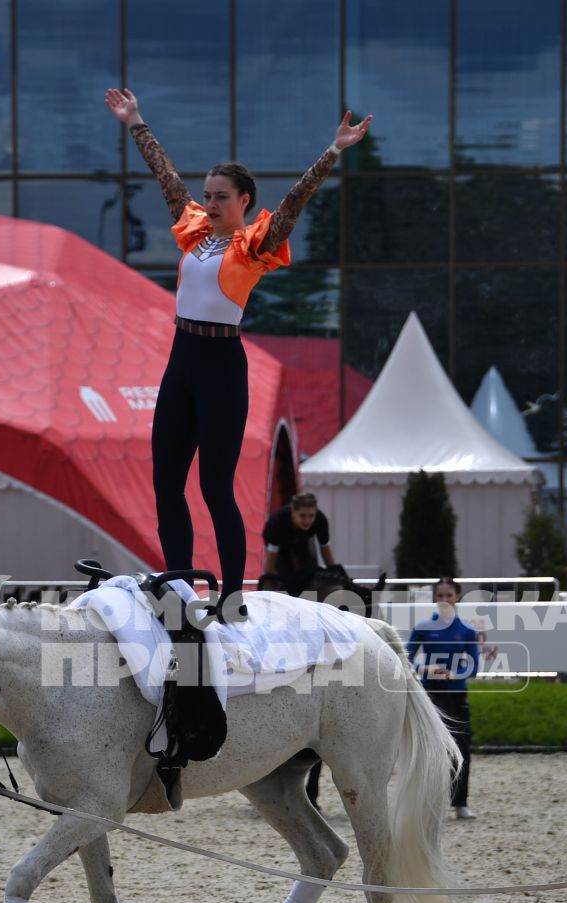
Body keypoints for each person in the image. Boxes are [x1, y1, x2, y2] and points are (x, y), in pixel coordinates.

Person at [108, 86, 369, 622]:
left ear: (244, 200)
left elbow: (296, 199)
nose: (209, 201)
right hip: (182, 360)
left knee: (214, 487)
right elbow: (166, 177)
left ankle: (232, 595)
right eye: (208, 194)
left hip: (222, 369)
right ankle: (178, 584)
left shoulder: (254, 244)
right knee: (165, 479)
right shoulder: (194, 231)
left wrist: (335, 150)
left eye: (221, 195)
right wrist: (136, 121)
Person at [407, 578, 481, 821]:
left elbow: (473, 667)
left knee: (462, 749)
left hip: (456, 695)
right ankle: (429, 803)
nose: (444, 600)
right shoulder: (423, 628)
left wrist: (453, 673)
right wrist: (427, 669)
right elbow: (405, 658)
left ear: (457, 597)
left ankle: (460, 802)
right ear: (433, 598)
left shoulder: (467, 631)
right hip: (430, 697)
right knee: (430, 751)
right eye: (440, 595)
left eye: (448, 595)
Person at [262, 493, 338, 596]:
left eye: (311, 516)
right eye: (302, 516)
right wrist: (269, 584)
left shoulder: (320, 520)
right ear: (293, 512)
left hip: (304, 539)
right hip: (280, 544)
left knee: (309, 572)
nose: (307, 521)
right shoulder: (279, 521)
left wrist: (335, 574)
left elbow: (325, 550)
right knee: (285, 576)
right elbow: (271, 559)